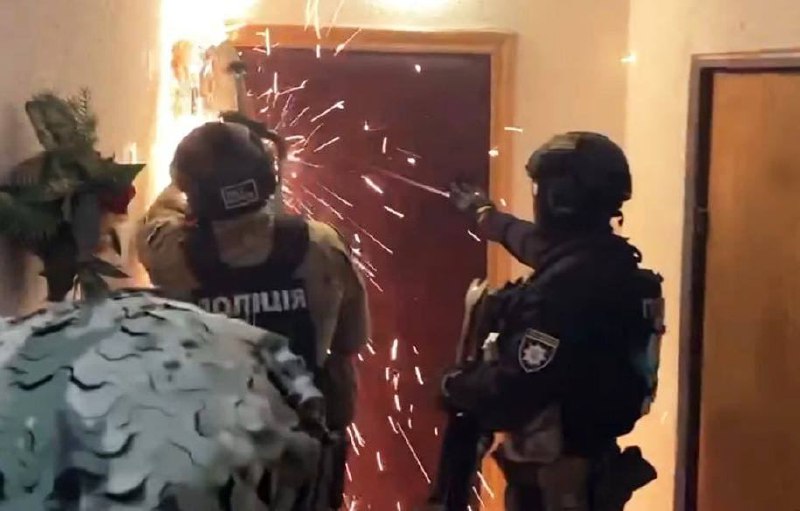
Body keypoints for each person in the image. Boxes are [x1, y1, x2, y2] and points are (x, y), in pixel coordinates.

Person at [135, 115, 369, 510]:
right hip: (296, 466)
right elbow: (351, 340)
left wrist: (202, 165)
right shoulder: (322, 245)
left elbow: (160, 213)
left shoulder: (171, 253)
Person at [444, 131, 664, 510]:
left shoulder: (566, 292)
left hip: (556, 487)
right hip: (589, 464)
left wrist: (456, 386)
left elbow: (515, 391)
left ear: (559, 198)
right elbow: (535, 244)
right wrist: (485, 215)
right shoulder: (607, 262)